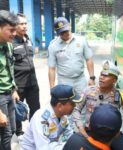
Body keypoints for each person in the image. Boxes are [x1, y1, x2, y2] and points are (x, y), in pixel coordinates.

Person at [73, 60, 123, 150]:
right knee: (74, 144)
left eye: (106, 76)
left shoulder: (120, 94)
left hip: (112, 134)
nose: (101, 77)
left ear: (114, 80)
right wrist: (80, 126)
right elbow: (76, 109)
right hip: (90, 132)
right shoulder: (89, 91)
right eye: (101, 74)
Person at [20, 84, 82, 150]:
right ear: (60, 106)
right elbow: (43, 148)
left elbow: (69, 135)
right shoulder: (41, 119)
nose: (75, 106)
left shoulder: (62, 116)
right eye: (72, 104)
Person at [48, 17, 95, 95]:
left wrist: (92, 77)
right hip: (64, 81)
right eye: (62, 32)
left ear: (69, 27)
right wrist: (52, 88)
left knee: (82, 102)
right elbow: (51, 68)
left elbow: (89, 59)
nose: (65, 34)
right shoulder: (53, 46)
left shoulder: (82, 40)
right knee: (65, 105)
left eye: (66, 31)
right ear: (58, 32)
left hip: (80, 80)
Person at [12, 13, 40, 137]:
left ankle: (33, 131)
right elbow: (8, 67)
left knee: (35, 108)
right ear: (14, 25)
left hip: (32, 82)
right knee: (17, 110)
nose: (24, 26)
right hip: (19, 84)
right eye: (21, 24)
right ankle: (19, 133)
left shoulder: (28, 39)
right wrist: (13, 89)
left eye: (25, 23)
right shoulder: (10, 43)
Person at [0, 10, 19, 150]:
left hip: (9, 94)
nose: (14, 33)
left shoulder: (9, 45)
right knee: (5, 133)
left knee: (12, 130)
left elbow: (9, 70)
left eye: (15, 30)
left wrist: (13, 90)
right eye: (11, 30)